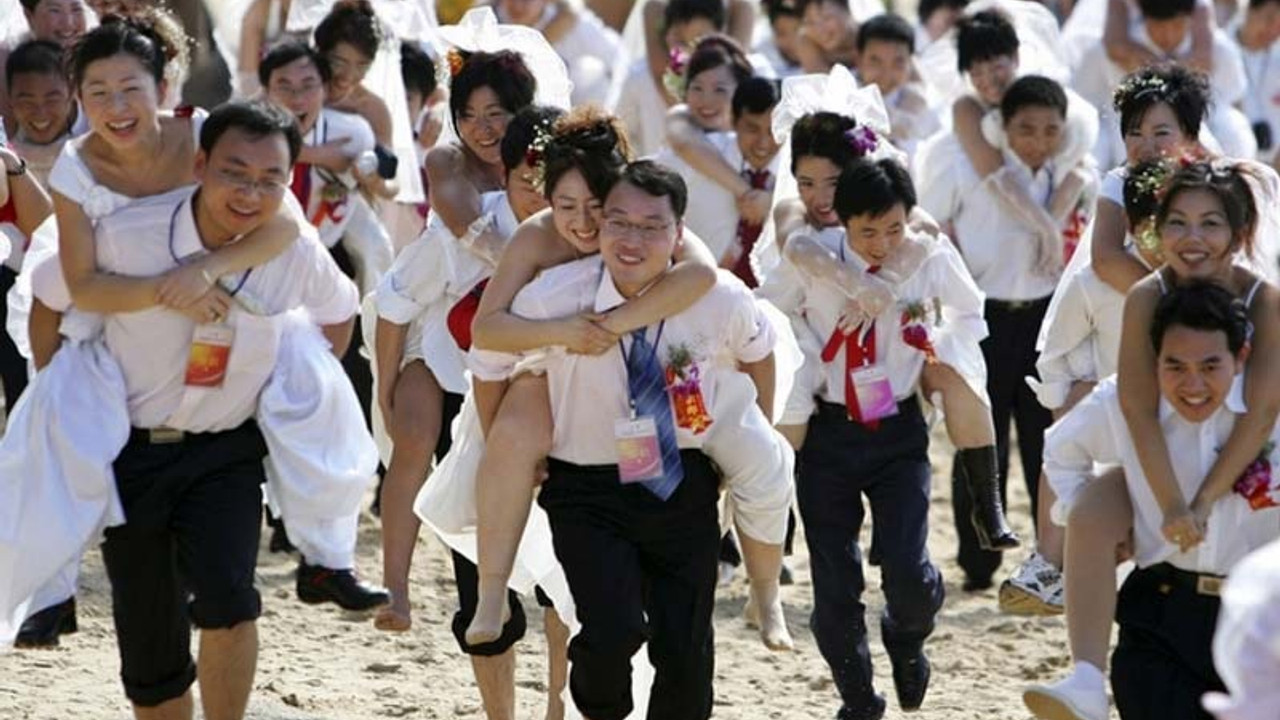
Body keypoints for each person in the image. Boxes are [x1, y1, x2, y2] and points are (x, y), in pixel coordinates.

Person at [471, 159, 778, 720]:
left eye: (651, 226)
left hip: (681, 481)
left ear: (679, 233)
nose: (632, 239)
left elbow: (760, 356)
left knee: (684, 652)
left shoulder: (719, 295)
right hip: (586, 490)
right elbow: (487, 359)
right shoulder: (555, 297)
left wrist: (750, 434)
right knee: (610, 634)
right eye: (619, 222)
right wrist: (509, 443)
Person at [1025, 159, 1280, 720]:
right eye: (1178, 223)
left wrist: (1203, 503)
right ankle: (1086, 676)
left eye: (1210, 224)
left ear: (1238, 235)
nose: (1193, 239)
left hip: (1245, 457)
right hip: (1161, 454)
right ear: (1154, 231)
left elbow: (1261, 413)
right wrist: (1163, 510)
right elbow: (1138, 409)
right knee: (1094, 507)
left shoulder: (1265, 299)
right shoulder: (1147, 293)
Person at [777, 156, 967, 719]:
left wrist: (940, 356)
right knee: (835, 587)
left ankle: (906, 639)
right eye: (867, 231)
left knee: (908, 573)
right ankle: (859, 699)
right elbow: (767, 314)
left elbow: (969, 311)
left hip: (899, 432)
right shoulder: (814, 262)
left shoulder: (924, 259)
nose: (882, 243)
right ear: (843, 222)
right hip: (829, 435)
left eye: (894, 228)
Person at [369, 104, 559, 634]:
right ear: (507, 177)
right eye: (526, 181)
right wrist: (385, 390)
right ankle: (397, 590)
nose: (538, 193)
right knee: (413, 439)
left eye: (550, 182)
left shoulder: (585, 234)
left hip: (541, 390)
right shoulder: (467, 228)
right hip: (447, 364)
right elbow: (395, 303)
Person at [918, 75, 1098, 590]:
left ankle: (1050, 556)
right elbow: (933, 225)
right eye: (1026, 129)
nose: (1038, 141)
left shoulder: (1075, 174)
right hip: (985, 318)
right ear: (1003, 127)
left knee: (1046, 436)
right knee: (978, 433)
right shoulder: (973, 171)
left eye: (1050, 130)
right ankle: (977, 561)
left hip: (1047, 319)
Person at [1003, 158, 1167, 616]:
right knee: (1065, 451)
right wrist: (1067, 405)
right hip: (1107, 405)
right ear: (1132, 227)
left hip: (1175, 409)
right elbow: (1057, 348)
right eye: (1150, 228)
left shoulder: (1198, 284)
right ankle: (1048, 562)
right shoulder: (1095, 283)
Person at [1074, 0, 1256, 166]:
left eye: (1177, 26)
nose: (1168, 35)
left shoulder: (1218, 48)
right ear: (1144, 19)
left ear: (1190, 20)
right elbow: (1084, 97)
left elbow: (1234, 98)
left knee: (1233, 130)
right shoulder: (1106, 50)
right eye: (1159, 27)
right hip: (1124, 131)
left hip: (1198, 125)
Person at [610, 0, 726, 157]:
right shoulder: (640, 79)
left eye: (699, 40)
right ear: (666, 34)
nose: (688, 51)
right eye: (681, 41)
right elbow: (617, 138)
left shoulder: (739, 78)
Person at [1230, 0, 1280, 167]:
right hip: (1234, 161)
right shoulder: (1220, 50)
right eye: (1269, 19)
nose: (1273, 30)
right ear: (1250, 8)